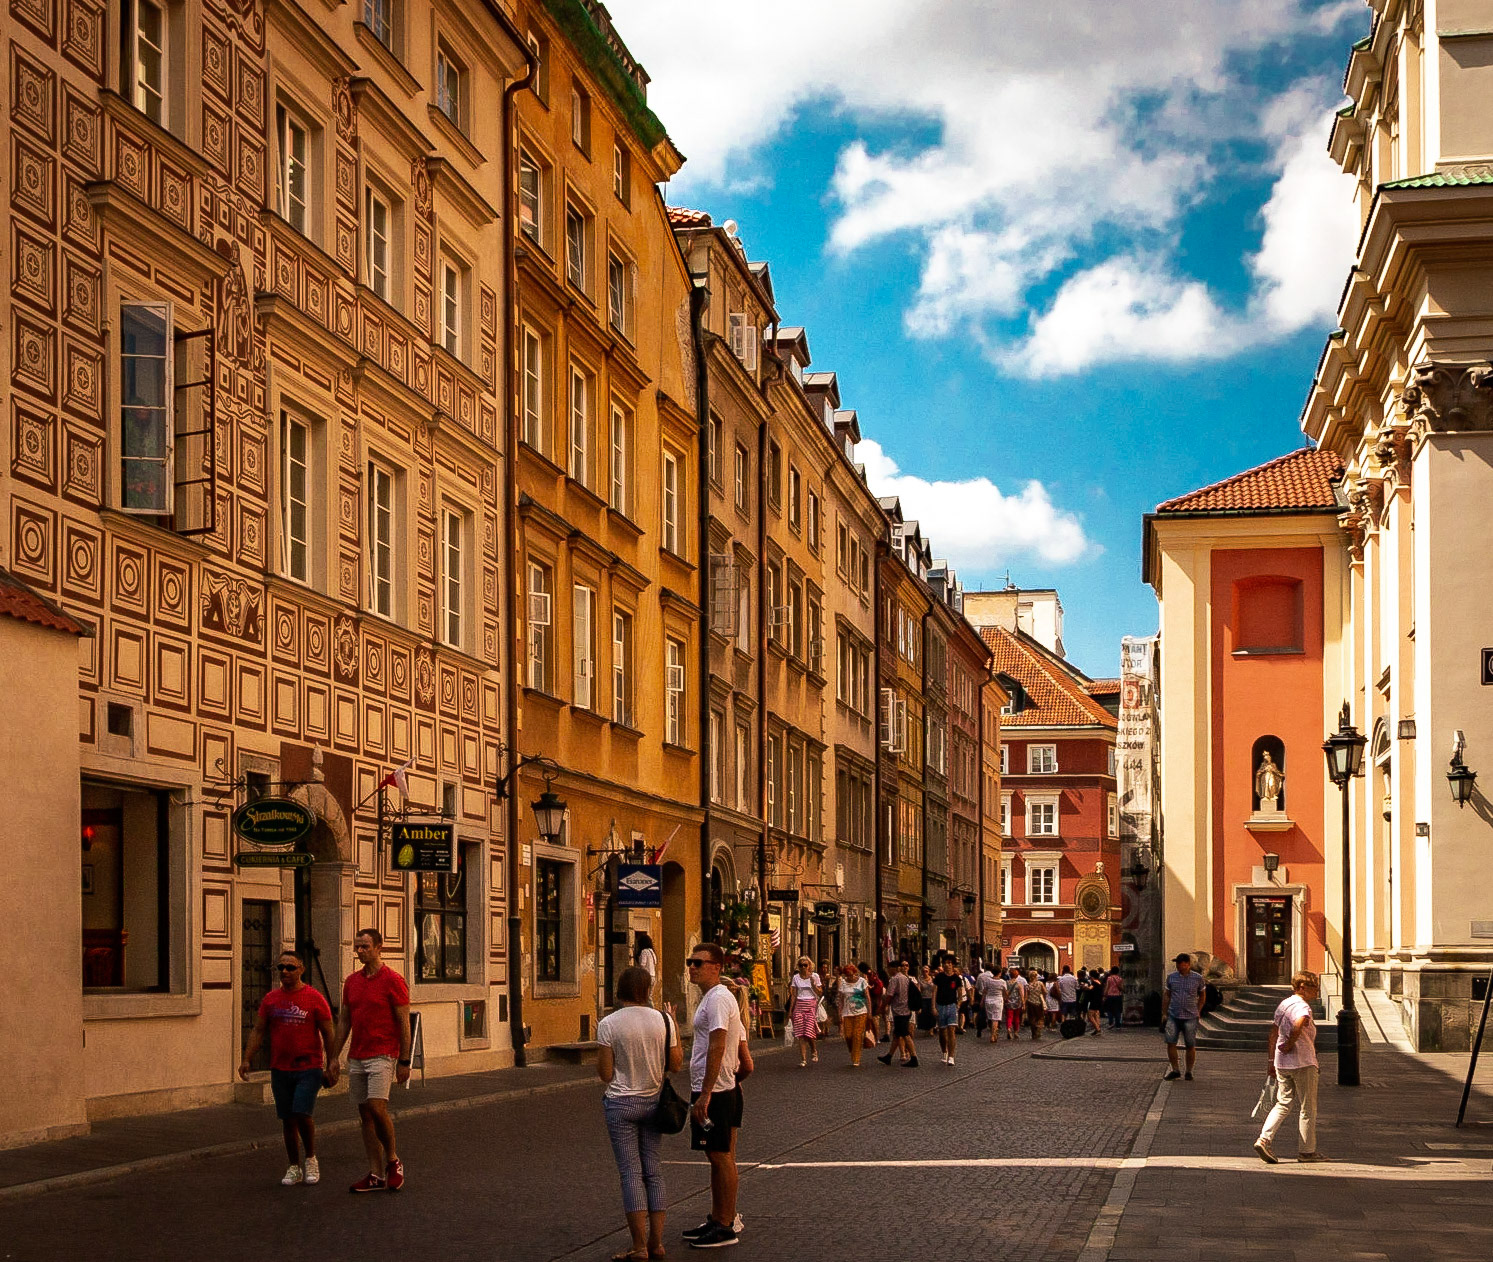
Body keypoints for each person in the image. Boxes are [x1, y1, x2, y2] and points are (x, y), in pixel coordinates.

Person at [597, 965, 683, 1261]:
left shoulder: (608, 1023)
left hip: (621, 1104)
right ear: (648, 990)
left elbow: (606, 1073)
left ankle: (638, 1245)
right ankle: (657, 1242)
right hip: (653, 1102)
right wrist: (674, 1029)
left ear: (619, 990)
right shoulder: (664, 1020)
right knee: (653, 1171)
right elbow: (675, 1065)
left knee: (630, 1173)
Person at [238, 949, 337, 1186]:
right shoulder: (271, 999)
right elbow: (259, 1030)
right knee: (287, 1119)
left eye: (290, 967)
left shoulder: (314, 998)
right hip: (280, 1068)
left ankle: (311, 1159)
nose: (285, 972)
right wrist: (246, 1059)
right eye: (280, 967)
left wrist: (333, 1062)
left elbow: (328, 1032)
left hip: (308, 1066)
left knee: (303, 1113)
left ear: (301, 969)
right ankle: (293, 1166)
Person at [329, 927, 411, 1193]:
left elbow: (403, 1022)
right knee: (364, 1115)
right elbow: (344, 1021)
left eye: (365, 946)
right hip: (358, 1055)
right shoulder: (351, 982)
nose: (360, 951)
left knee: (377, 1108)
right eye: (357, 947)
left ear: (379, 947)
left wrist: (405, 1061)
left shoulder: (393, 980)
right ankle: (375, 1172)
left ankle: (393, 1160)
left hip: (384, 1053)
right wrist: (332, 1056)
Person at [683, 943, 753, 1250]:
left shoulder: (718, 999)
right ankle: (718, 1217)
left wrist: (708, 1092)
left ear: (716, 967)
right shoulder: (716, 998)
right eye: (690, 962)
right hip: (723, 1087)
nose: (692, 967)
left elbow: (717, 1045)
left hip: (715, 1090)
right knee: (717, 1156)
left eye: (698, 962)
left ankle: (726, 1225)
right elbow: (744, 1059)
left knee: (721, 1156)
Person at [1254, 970, 1326, 1164]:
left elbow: (1273, 1033)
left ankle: (1264, 1138)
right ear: (1302, 987)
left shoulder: (1283, 1004)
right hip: (1303, 1061)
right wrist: (1291, 1042)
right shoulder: (1302, 1006)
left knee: (1283, 1102)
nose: (1316, 992)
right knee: (1307, 1108)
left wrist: (1271, 1060)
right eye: (1314, 988)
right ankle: (1307, 1151)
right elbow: (1300, 1021)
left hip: (1282, 1063)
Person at [1163, 953, 1207, 1081]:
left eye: (1181, 964)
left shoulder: (1197, 978)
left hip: (1190, 1015)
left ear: (1188, 964)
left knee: (1190, 1044)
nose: (1179, 966)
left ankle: (1189, 1071)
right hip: (1173, 1014)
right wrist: (1164, 1013)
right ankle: (1175, 1069)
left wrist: (1198, 1010)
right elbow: (1167, 995)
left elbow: (1202, 995)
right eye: (1177, 964)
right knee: (1171, 1042)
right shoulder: (1171, 978)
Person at [877, 959, 919, 1067]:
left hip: (900, 1011)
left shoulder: (894, 979)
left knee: (905, 1034)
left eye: (889, 968)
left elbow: (889, 995)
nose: (888, 970)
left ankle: (914, 1058)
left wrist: (882, 1007)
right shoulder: (905, 978)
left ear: (894, 968)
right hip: (906, 1009)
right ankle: (889, 1057)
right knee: (897, 1034)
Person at [788, 957, 823, 1067]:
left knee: (808, 1031)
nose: (803, 967)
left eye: (805, 965)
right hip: (799, 1004)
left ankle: (813, 1049)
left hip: (811, 1004)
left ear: (809, 966)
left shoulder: (815, 976)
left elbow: (820, 992)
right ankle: (803, 1059)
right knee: (800, 1033)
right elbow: (793, 995)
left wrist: (813, 984)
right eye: (801, 965)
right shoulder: (796, 977)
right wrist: (790, 1010)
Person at [837, 963, 872, 1067]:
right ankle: (853, 1049)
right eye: (847, 975)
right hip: (847, 1012)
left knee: (857, 1035)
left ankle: (855, 1059)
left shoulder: (862, 981)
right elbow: (840, 1000)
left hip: (861, 1012)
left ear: (855, 973)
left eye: (851, 975)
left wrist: (870, 1012)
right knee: (848, 1035)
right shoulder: (843, 983)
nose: (850, 977)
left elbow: (867, 997)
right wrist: (839, 1014)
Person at [933, 956, 965, 1065]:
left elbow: (960, 993)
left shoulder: (956, 978)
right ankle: (944, 1052)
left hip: (952, 1005)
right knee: (942, 1032)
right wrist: (933, 1006)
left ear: (953, 965)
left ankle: (951, 1056)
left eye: (949, 963)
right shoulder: (939, 977)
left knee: (951, 1030)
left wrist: (959, 1004)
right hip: (941, 1005)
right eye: (945, 963)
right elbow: (934, 992)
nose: (947, 965)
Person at [977, 965, 1007, 1043]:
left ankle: (993, 1032)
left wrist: (982, 1001)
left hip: (989, 1000)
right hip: (998, 1000)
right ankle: (993, 1035)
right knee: (996, 1019)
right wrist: (1006, 998)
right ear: (1000, 973)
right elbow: (1005, 992)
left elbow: (984, 991)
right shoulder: (1002, 982)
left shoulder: (988, 981)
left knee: (990, 1018)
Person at [915, 965, 937, 1037]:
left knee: (931, 1014)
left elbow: (936, 988)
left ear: (929, 971)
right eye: (923, 971)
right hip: (923, 998)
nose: (925, 972)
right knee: (924, 1014)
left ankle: (931, 1029)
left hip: (931, 998)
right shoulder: (920, 980)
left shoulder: (933, 979)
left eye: (926, 971)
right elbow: (918, 990)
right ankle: (926, 1028)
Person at [1025, 970, 1047, 1040]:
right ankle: (1038, 1029)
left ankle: (1033, 1033)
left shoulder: (1028, 985)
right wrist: (1042, 997)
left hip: (1030, 1002)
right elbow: (1045, 992)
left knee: (1032, 1018)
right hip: (1038, 1002)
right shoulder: (1040, 983)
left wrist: (1024, 1004)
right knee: (1040, 1017)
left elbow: (1026, 995)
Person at [1005, 968, 1026, 1040]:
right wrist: (1023, 1003)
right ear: (1016, 976)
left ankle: (1008, 1028)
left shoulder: (1006, 983)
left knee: (1009, 1017)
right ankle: (1016, 1032)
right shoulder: (1018, 984)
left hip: (1008, 1002)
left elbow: (1005, 993)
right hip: (1017, 1003)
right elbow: (1021, 995)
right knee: (1016, 1017)